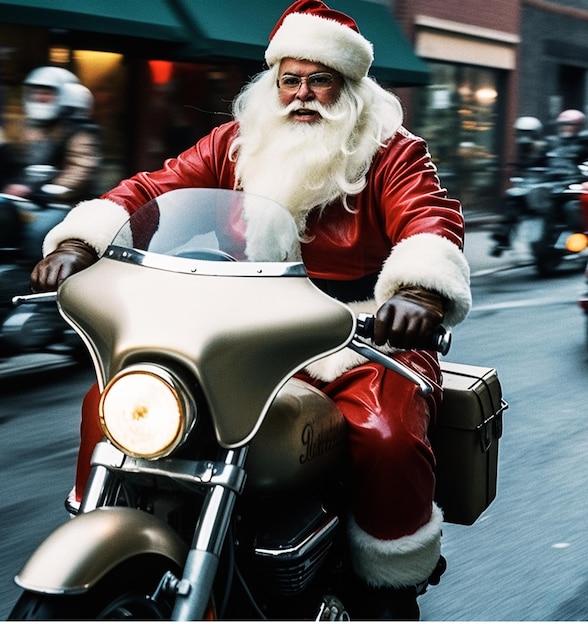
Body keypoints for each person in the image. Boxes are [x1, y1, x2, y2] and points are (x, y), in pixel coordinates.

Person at [30, 1, 471, 618]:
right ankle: (104, 529)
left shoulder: (390, 152)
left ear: (347, 87)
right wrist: (85, 239)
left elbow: (429, 218)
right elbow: (158, 186)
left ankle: (387, 586)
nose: (302, 95)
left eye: (319, 79)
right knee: (119, 397)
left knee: (386, 433)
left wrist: (419, 292)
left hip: (363, 331)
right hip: (250, 327)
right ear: (273, 83)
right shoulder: (238, 142)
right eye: (290, 79)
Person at [2, 66, 101, 205]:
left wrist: (48, 192)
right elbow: (11, 155)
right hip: (27, 202)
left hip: (63, 205)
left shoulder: (77, 130)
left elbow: (80, 169)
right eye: (35, 92)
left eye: (47, 93)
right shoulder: (24, 127)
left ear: (64, 96)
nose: (40, 98)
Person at [491, 116, 547, 254]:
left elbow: (554, 165)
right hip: (528, 189)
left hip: (544, 191)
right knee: (512, 204)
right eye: (521, 132)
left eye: (528, 132)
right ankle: (502, 238)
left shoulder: (545, 148)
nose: (524, 136)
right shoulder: (521, 150)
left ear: (536, 133)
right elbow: (518, 167)